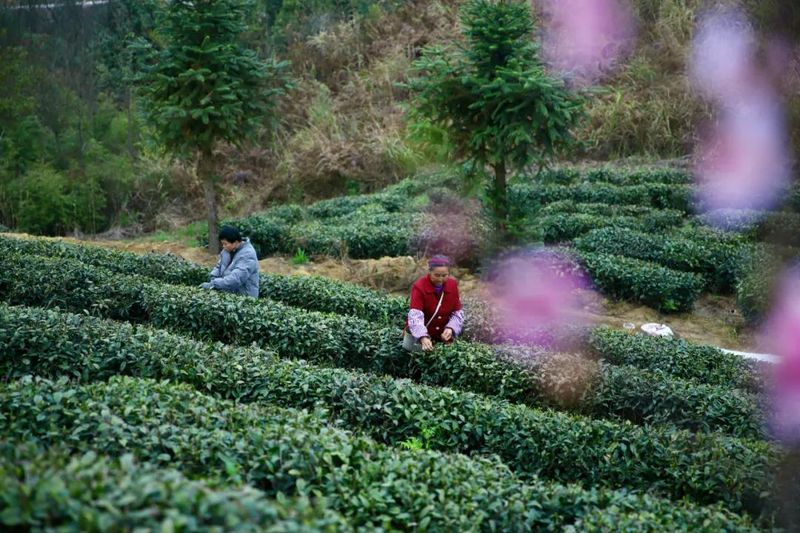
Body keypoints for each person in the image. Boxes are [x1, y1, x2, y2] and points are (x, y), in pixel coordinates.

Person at [403, 255, 464, 352]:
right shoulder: (419, 286)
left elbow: (457, 312)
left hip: (441, 338)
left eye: (444, 275)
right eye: (437, 275)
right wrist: (422, 337)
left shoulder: (452, 285)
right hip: (419, 337)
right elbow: (415, 315)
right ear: (430, 272)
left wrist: (450, 328)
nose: (440, 279)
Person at [200, 225, 260, 297]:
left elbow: (236, 279)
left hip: (244, 297)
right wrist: (213, 277)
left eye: (225, 244)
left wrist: (214, 284)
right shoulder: (227, 250)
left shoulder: (248, 254)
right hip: (229, 293)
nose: (223, 246)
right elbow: (219, 266)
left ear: (235, 242)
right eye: (222, 244)